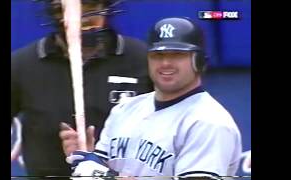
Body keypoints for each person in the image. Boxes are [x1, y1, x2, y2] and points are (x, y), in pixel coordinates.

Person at [61, 17, 242, 179]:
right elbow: (103, 168)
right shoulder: (125, 109)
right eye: (158, 55)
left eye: (177, 55)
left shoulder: (208, 123)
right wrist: (89, 159)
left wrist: (107, 177)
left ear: (199, 62)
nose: (165, 63)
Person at [11, 0, 153, 178]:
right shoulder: (21, 65)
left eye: (90, 6)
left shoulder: (141, 58)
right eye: (66, 8)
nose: (82, 17)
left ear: (105, 8)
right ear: (54, 13)